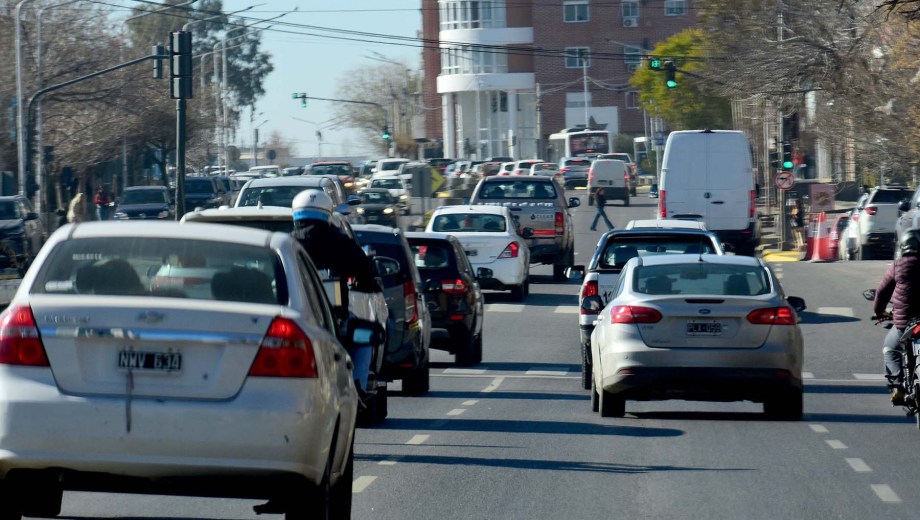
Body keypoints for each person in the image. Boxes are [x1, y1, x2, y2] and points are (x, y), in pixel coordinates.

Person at [290, 189, 381, 398]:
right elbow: (364, 270)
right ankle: (357, 385)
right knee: (363, 339)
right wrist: (368, 284)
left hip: (296, 315)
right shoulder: (341, 243)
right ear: (327, 213)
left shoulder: (288, 243)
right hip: (335, 316)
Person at [873, 229, 920, 404]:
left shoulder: (898, 265)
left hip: (904, 323)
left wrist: (879, 312)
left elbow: (882, 292)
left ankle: (898, 385)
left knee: (890, 349)